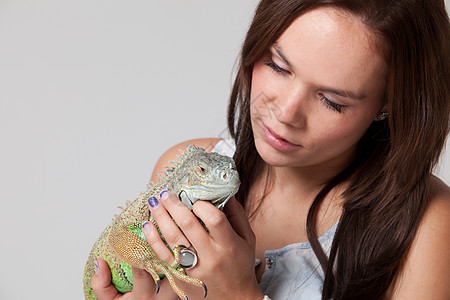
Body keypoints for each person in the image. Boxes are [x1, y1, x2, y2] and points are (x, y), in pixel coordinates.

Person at [90, 0, 450, 299]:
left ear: (388, 105)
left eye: (332, 101)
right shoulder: (184, 168)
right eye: (277, 66)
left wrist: (241, 294)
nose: (286, 112)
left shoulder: (429, 225)